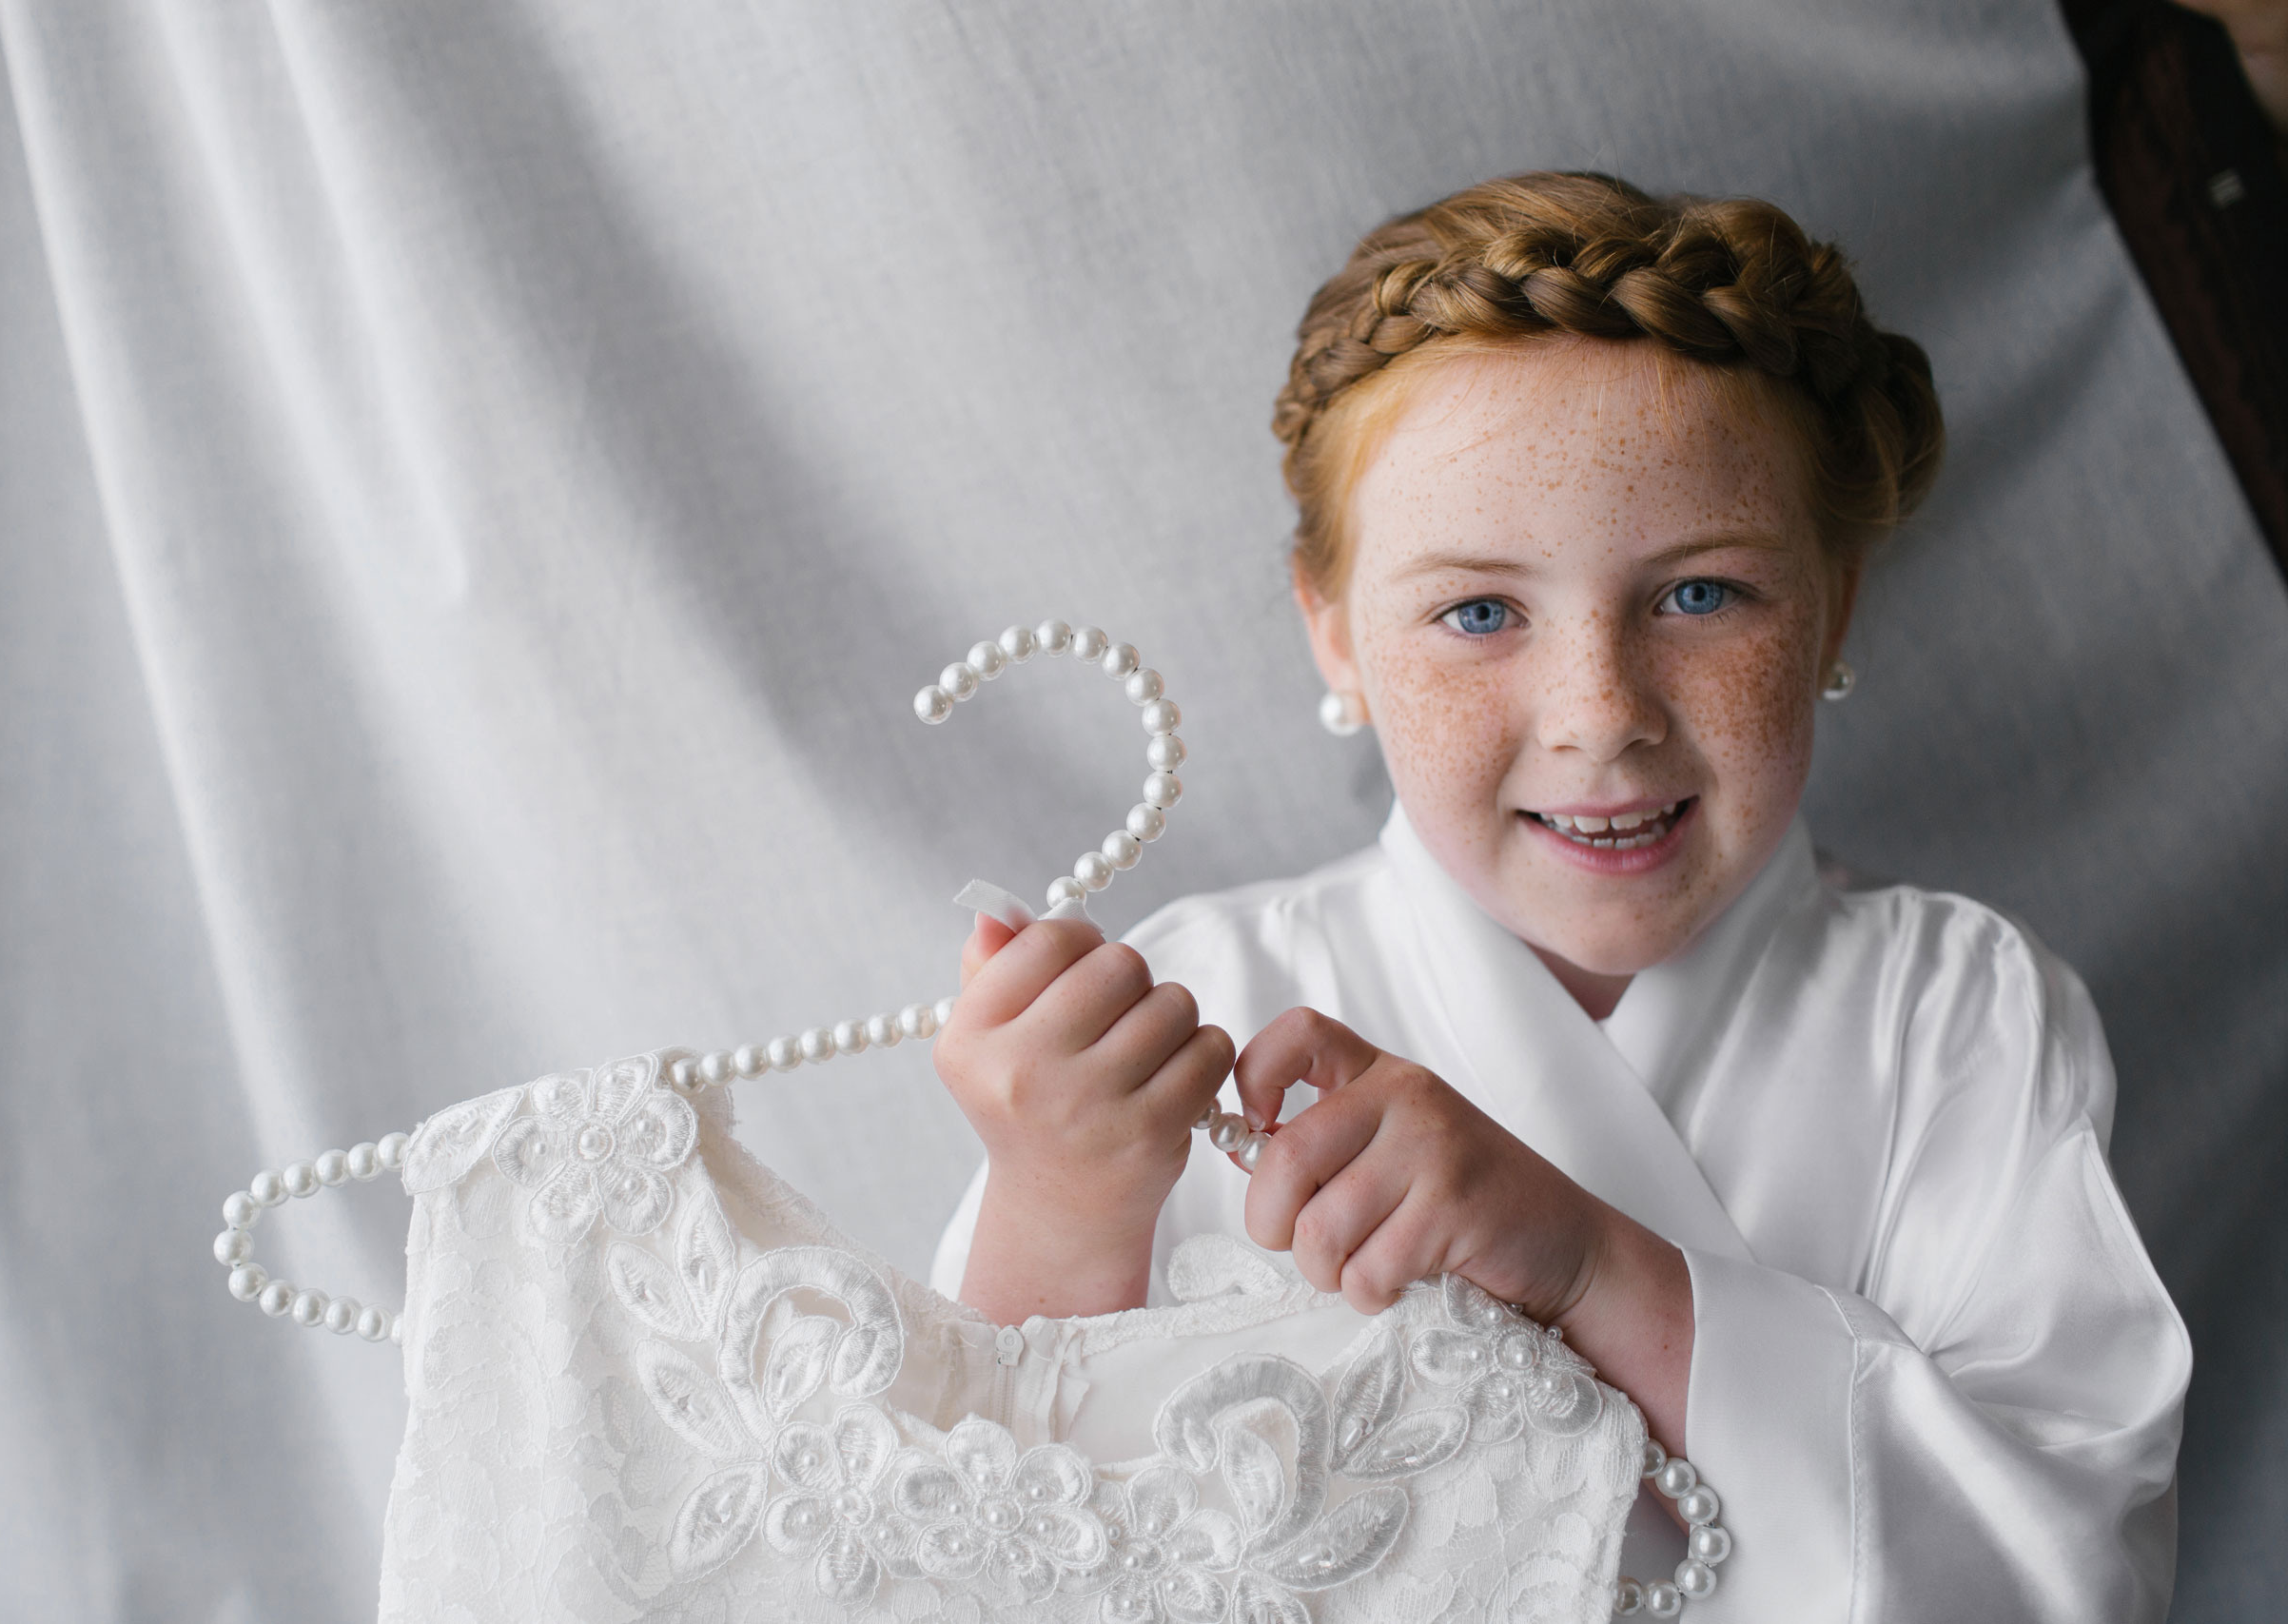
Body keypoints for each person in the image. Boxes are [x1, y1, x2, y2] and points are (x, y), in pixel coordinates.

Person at [926, 173, 2191, 1616]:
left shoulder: (1956, 1011)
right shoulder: (1194, 1006)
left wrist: (1591, 1265)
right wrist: (1060, 1202)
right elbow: (966, 1549)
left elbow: (2070, 1574)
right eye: (1479, 612)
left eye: (1701, 595)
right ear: (1333, 635)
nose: (1601, 716)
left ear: (1835, 602)